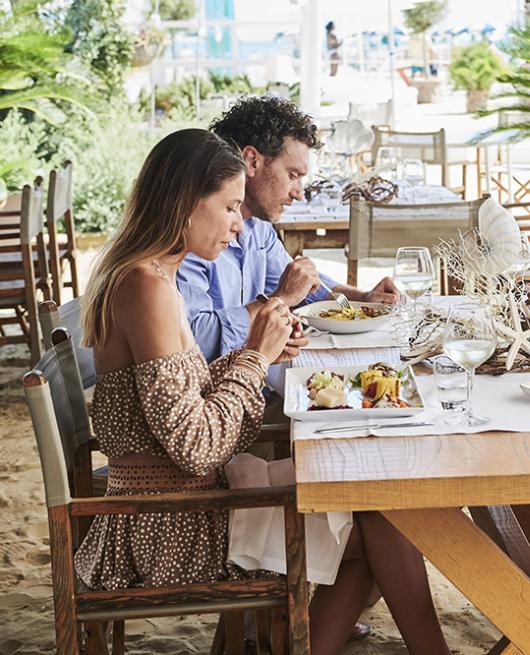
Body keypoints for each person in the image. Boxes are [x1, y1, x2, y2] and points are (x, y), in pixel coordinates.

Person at [75, 128, 450, 655]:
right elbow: (195, 445)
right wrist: (255, 357)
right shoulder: (146, 287)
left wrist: (258, 348)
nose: (236, 224)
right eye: (229, 207)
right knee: (384, 528)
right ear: (186, 202)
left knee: (376, 510)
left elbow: (187, 396)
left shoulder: (151, 276)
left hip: (186, 497)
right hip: (163, 524)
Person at [177, 95, 400, 364]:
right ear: (251, 160)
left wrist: (362, 298)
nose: (298, 194)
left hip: (253, 378)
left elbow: (301, 286)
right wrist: (278, 301)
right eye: (292, 175)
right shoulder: (195, 234)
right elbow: (194, 341)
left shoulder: (258, 227)